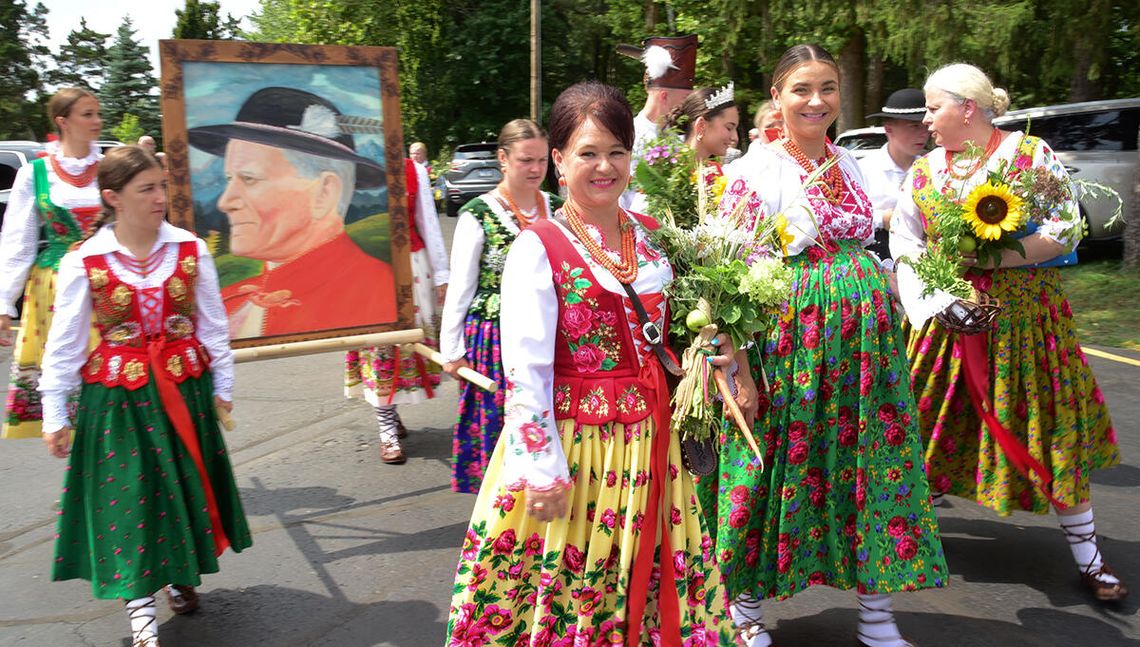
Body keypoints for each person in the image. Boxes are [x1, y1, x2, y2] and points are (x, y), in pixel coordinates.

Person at [445, 81, 734, 646]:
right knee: (577, 581)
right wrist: (542, 468)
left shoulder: (653, 239)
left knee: (651, 577)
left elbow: (674, 336)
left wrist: (711, 355)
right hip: (579, 450)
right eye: (588, 153)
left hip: (651, 443)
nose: (604, 167)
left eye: (617, 152)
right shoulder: (540, 247)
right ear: (558, 160)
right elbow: (526, 372)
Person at [713, 44, 947, 647]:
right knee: (769, 467)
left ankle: (876, 612)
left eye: (828, 89)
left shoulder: (853, 163)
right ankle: (743, 609)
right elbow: (727, 280)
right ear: (776, 98)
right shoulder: (754, 173)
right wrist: (736, 370)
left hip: (864, 350)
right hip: (789, 346)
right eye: (801, 90)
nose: (816, 101)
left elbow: (874, 246)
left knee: (871, 466)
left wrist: (923, 298)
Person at [891, 63, 1125, 602]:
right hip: (949, 318)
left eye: (931, 107)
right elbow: (904, 239)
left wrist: (992, 258)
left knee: (1050, 426)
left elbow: (1067, 228)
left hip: (1025, 321)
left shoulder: (1027, 156)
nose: (924, 120)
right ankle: (900, 535)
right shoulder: (926, 170)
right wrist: (936, 293)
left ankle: (1088, 556)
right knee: (916, 422)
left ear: (966, 108)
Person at [38, 146, 252, 647]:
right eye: (147, 189)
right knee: (131, 499)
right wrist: (54, 413)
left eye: (162, 186)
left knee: (178, 487)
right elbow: (65, 344)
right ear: (113, 198)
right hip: (118, 399)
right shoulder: (85, 261)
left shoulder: (190, 249)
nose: (161, 198)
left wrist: (222, 387)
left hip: (183, 389)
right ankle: (140, 607)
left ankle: (177, 573)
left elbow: (214, 326)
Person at [188, 87, 396, 339]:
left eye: (249, 178)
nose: (225, 201)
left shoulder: (375, 295)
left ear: (324, 192)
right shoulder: (228, 302)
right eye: (230, 179)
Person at [438, 118, 560, 492]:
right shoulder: (479, 214)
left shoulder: (557, 209)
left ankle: (543, 495)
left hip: (550, 332)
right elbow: (461, 287)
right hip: (493, 338)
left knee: (548, 420)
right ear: (503, 159)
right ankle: (501, 511)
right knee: (501, 426)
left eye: (542, 160)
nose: (536, 169)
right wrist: (452, 350)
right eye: (526, 160)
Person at [0, 87, 104, 439]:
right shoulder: (35, 174)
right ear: (63, 121)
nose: (97, 121)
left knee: (113, 372)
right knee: (66, 374)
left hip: (109, 281)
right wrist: (4, 302)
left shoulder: (110, 168)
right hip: (55, 287)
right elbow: (18, 238)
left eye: (97, 113)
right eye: (87, 114)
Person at [344, 155, 449, 464]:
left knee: (408, 344)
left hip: (411, 266)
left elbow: (427, 220)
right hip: (364, 268)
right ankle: (386, 426)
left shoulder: (412, 169)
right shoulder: (343, 164)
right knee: (378, 348)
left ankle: (389, 413)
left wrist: (441, 273)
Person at [616, 34, 698, 211]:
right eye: (684, 99)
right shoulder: (626, 135)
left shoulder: (680, 138)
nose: (687, 106)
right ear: (664, 97)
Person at [858, 89, 930, 260]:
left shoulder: (931, 169)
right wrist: (882, 219)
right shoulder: (864, 170)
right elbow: (849, 218)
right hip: (876, 256)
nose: (923, 133)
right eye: (914, 126)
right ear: (889, 129)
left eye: (926, 126)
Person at [662, 83, 740, 163]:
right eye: (729, 128)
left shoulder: (716, 171)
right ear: (701, 126)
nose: (735, 138)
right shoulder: (666, 171)